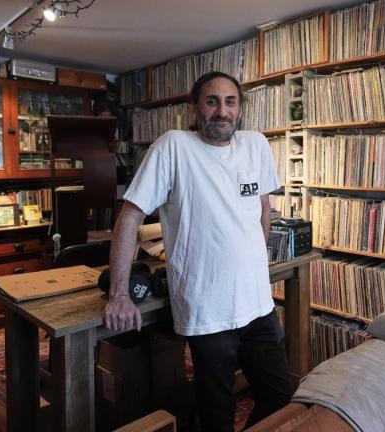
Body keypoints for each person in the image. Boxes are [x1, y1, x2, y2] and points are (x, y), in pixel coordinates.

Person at [103, 71, 292, 431]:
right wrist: (119, 294)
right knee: (216, 415)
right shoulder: (173, 147)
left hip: (258, 306)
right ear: (194, 109)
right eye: (212, 101)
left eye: (230, 102)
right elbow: (130, 216)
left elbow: (263, 209)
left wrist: (256, 264)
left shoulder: (256, 145)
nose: (222, 111)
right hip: (207, 313)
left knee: (280, 400)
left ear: (240, 108)